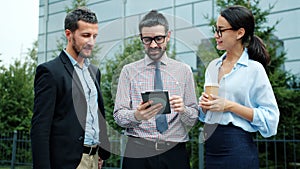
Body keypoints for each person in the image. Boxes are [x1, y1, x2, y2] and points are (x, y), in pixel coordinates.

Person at [113, 10, 198, 169]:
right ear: (141, 38)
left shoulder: (184, 71)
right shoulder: (128, 71)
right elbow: (118, 116)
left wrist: (183, 110)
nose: (153, 45)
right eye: (147, 39)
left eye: (158, 38)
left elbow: (194, 118)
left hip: (174, 152)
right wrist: (136, 115)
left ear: (168, 36)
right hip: (138, 151)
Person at [198, 5, 280, 169]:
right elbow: (202, 116)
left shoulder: (254, 69)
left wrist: (229, 106)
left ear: (240, 33)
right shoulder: (213, 67)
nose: (216, 35)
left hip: (237, 149)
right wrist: (204, 106)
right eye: (215, 30)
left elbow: (271, 119)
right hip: (211, 148)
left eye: (221, 30)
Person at [31, 7, 110, 169]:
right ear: (69, 34)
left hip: (94, 159)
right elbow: (40, 128)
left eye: (95, 36)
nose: (91, 42)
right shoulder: (50, 72)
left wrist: (101, 152)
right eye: (86, 35)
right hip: (68, 162)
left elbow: (97, 114)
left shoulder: (95, 72)